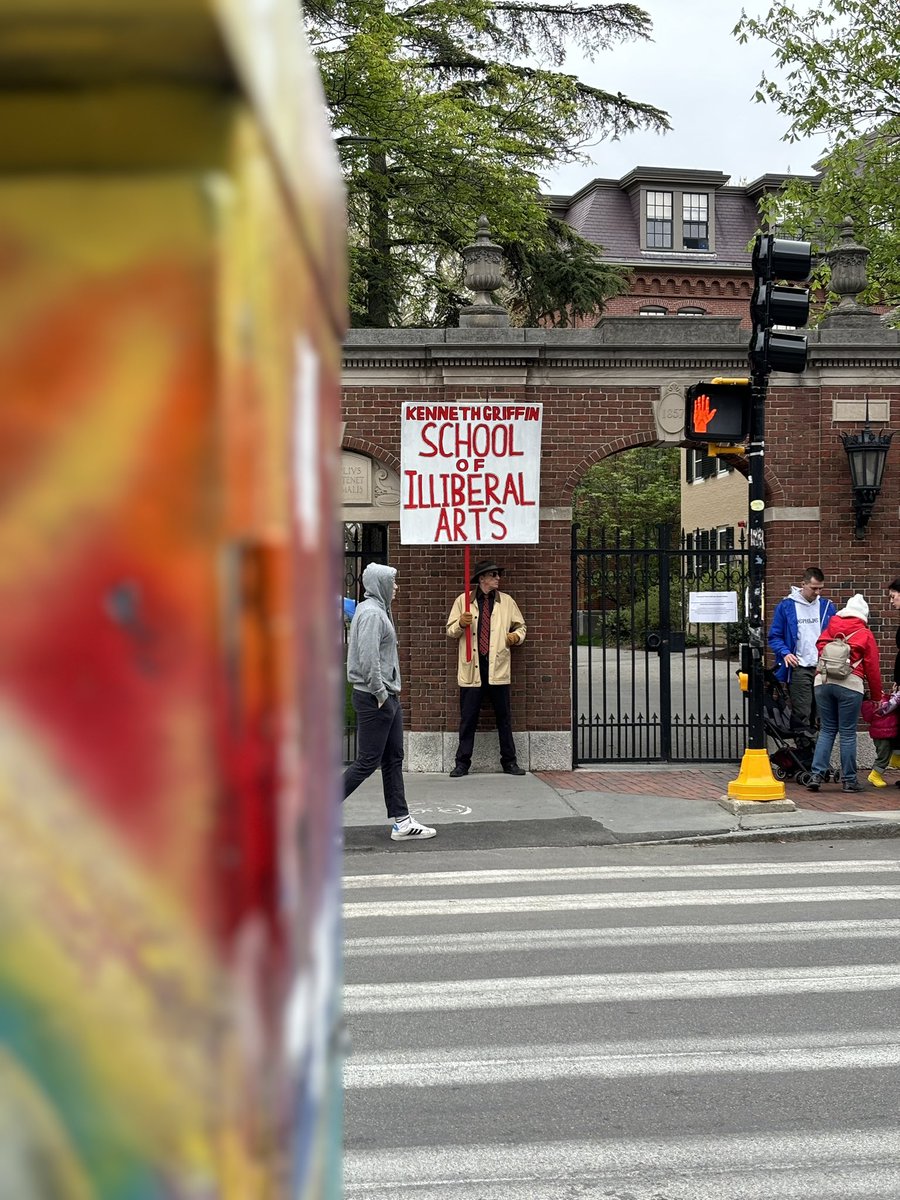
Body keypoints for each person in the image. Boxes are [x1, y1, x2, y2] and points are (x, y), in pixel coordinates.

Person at [344, 563, 436, 841]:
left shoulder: (374, 609)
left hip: (386, 697)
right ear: (380, 584)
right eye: (393, 583)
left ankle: (403, 822)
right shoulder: (373, 613)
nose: (396, 588)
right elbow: (368, 658)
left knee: (393, 759)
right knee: (367, 762)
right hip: (376, 698)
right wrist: (381, 694)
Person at [446, 559, 527, 778]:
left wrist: (515, 637)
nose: (498, 578)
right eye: (493, 575)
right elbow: (450, 631)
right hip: (472, 670)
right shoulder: (463, 601)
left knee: (504, 718)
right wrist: (461, 623)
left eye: (498, 575)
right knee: (468, 719)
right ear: (482, 579)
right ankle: (462, 763)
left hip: (497, 669)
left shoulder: (507, 602)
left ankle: (509, 762)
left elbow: (521, 627)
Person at [807, 593, 882, 793]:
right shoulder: (864, 633)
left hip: (822, 682)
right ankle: (849, 781)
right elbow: (872, 667)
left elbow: (819, 646)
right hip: (850, 684)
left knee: (827, 729)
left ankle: (816, 774)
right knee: (848, 733)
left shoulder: (830, 627)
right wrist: (876, 697)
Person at [767, 567, 836, 735]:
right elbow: (774, 636)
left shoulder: (827, 606)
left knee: (822, 714)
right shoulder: (786, 606)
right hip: (799, 667)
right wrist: (785, 652)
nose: (817, 592)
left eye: (820, 588)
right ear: (803, 584)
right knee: (802, 713)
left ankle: (818, 756)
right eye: (814, 588)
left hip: (823, 668)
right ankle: (805, 755)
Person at [861, 693, 897, 788]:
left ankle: (894, 761)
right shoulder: (870, 704)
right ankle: (875, 775)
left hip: (890, 732)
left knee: (890, 751)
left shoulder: (887, 698)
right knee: (883, 756)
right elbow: (869, 716)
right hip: (880, 735)